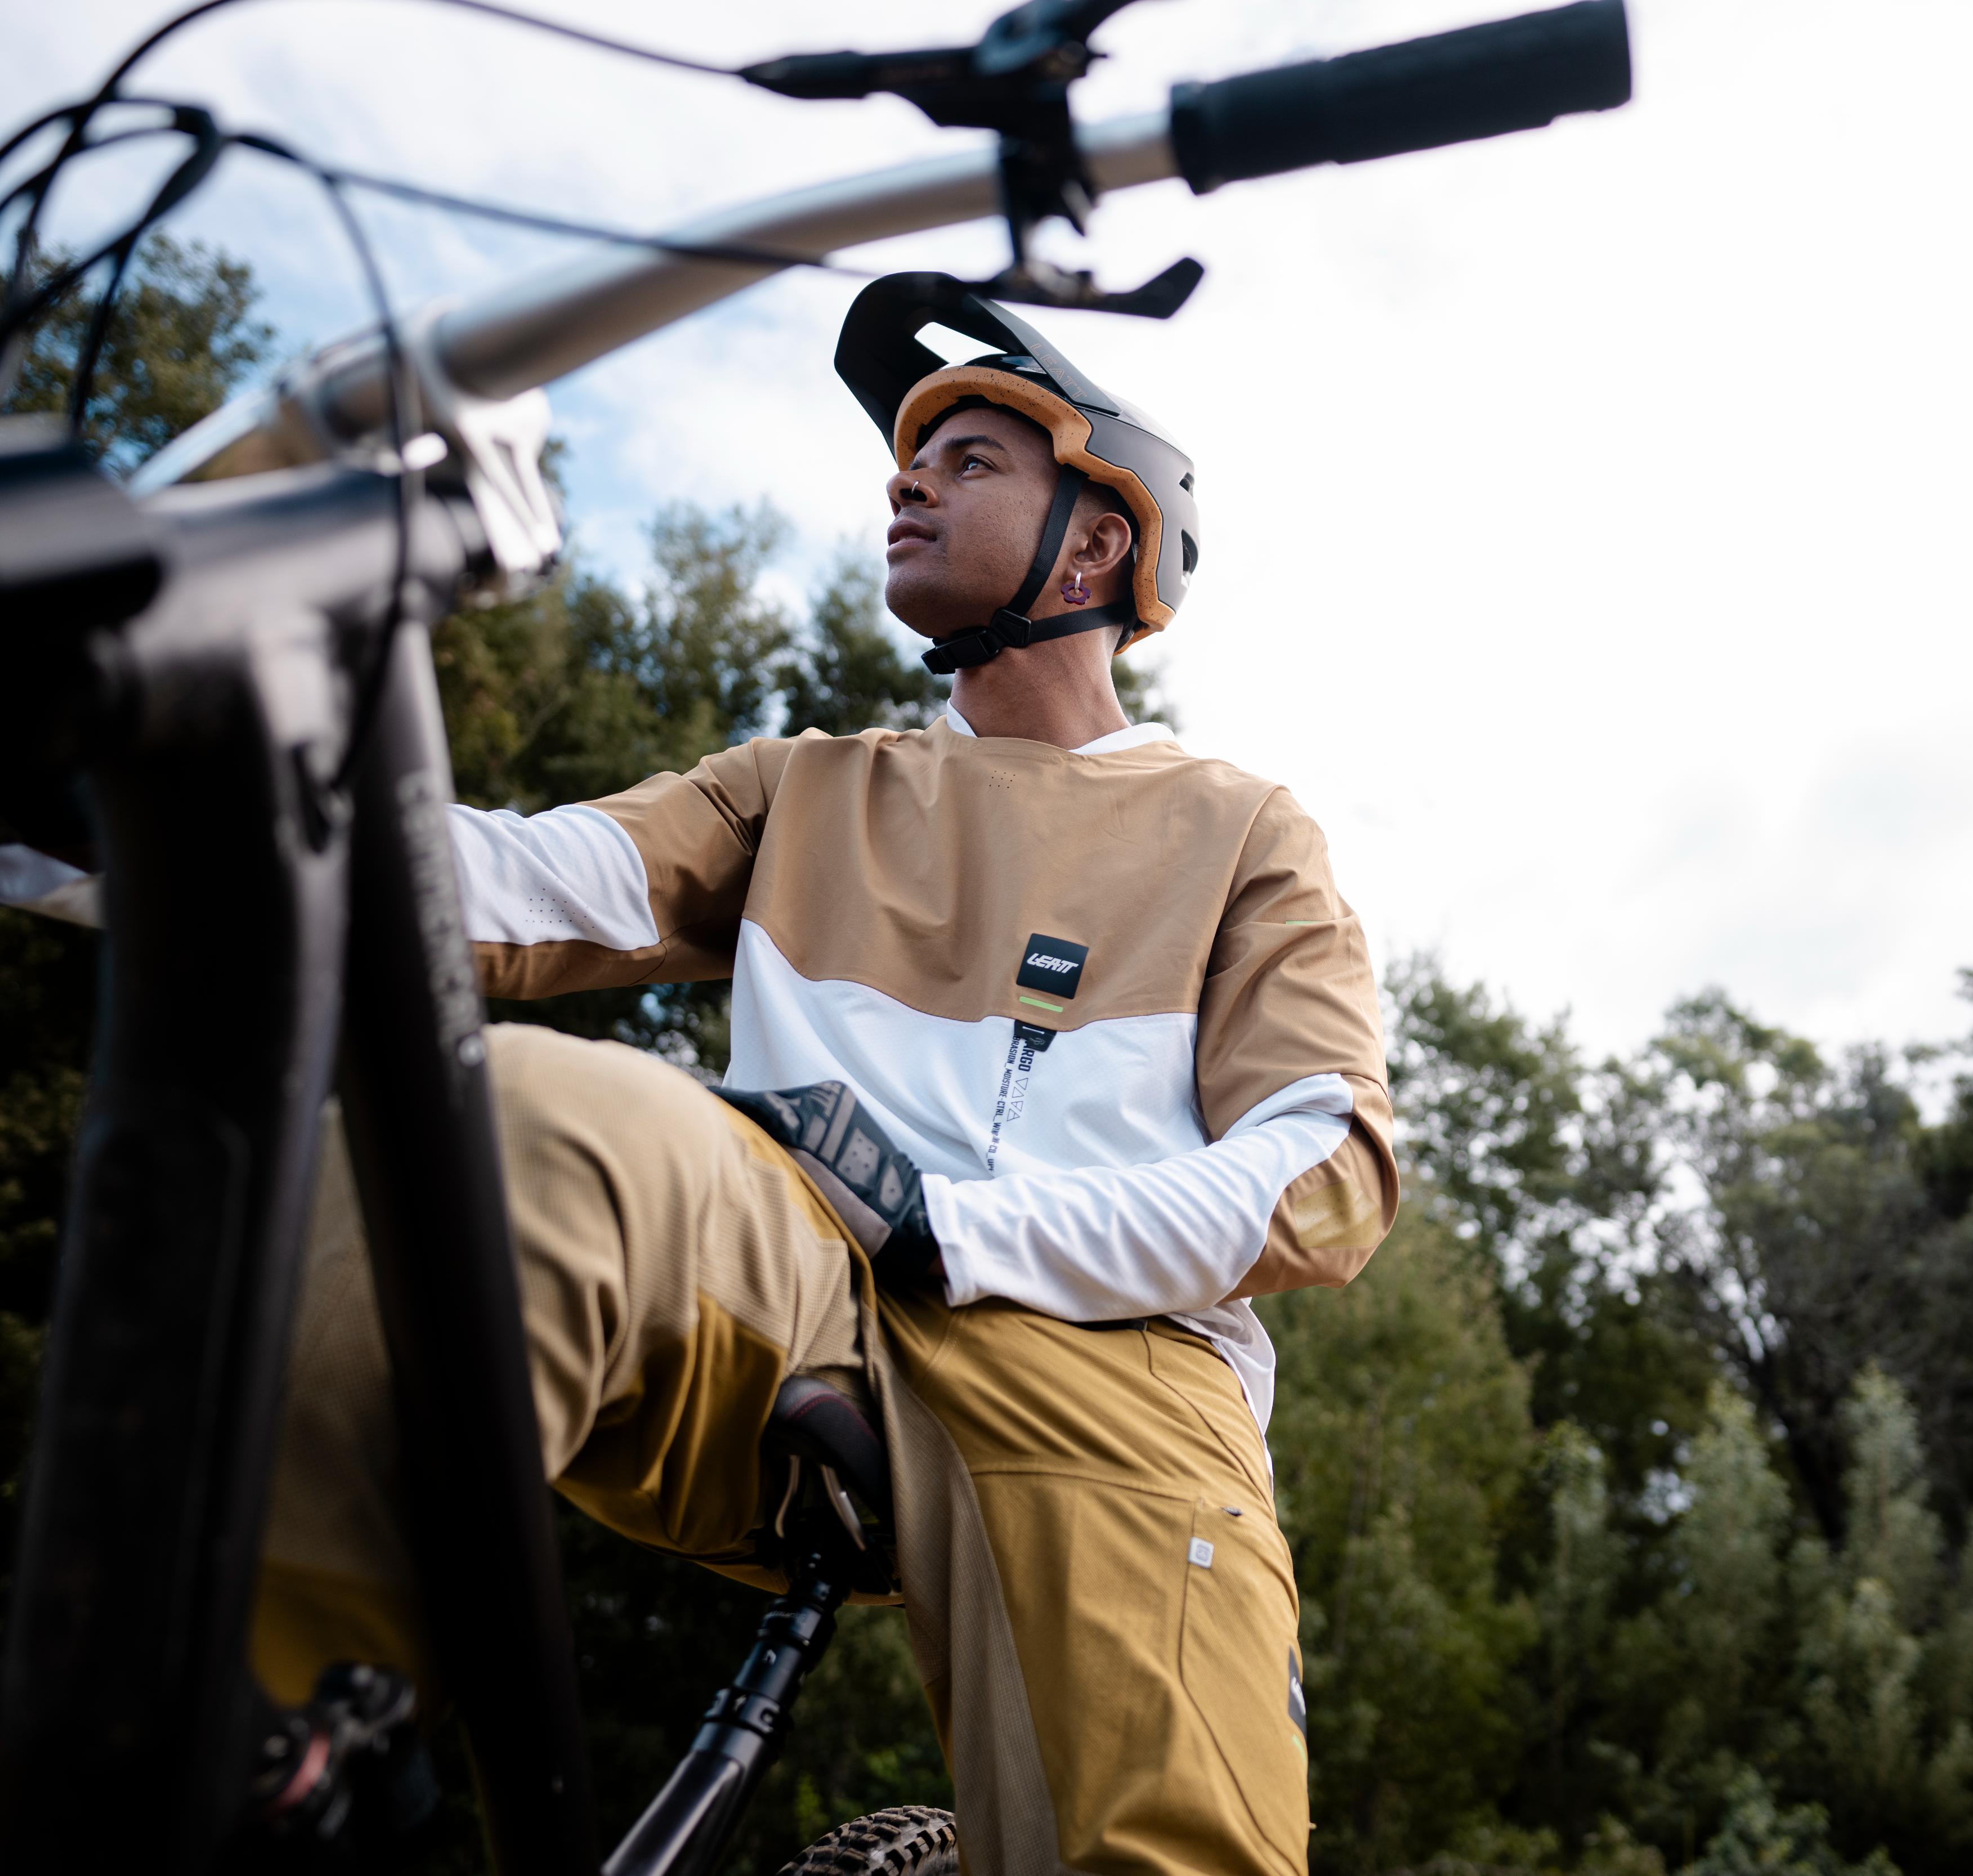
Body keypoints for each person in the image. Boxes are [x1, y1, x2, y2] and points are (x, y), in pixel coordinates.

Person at [249, 278, 1398, 1875]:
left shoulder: (1240, 827)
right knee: (504, 1124)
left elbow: (1326, 1173)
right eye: (909, 467)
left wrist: (962, 1227)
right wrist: (135, 795)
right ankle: (267, 1763)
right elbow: (492, 889)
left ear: (1098, 544)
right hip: (792, 1290)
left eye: (974, 460)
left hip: (1114, 1375)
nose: (910, 485)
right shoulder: (806, 788)